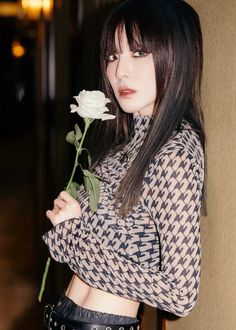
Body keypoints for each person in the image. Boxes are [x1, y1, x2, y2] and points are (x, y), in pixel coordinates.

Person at [42, 0, 205, 329]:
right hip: (63, 315)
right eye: (113, 55)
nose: (120, 71)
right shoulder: (121, 147)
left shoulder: (174, 151)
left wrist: (71, 237)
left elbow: (180, 293)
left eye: (139, 53)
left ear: (177, 54)